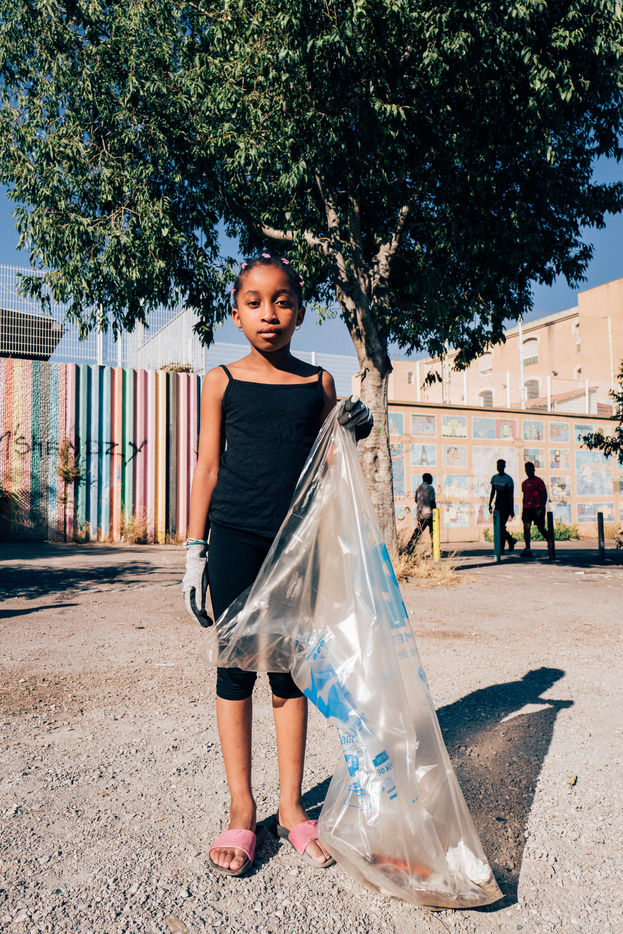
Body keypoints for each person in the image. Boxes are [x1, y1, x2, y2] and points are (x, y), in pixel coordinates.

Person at [181, 255, 373, 878]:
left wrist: (353, 428)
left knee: (290, 673)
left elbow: (329, 459)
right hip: (235, 539)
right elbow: (208, 466)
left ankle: (291, 808)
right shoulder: (220, 381)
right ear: (236, 314)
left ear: (300, 311)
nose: (270, 313)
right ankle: (242, 807)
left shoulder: (319, 383)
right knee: (235, 670)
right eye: (255, 302)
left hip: (298, 547)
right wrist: (194, 550)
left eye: (283, 301)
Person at [521, 461, 551, 557]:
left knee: (541, 528)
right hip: (527, 509)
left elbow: (544, 495)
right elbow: (524, 497)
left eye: (530, 469)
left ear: (534, 470)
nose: (528, 471)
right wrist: (523, 510)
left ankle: (550, 542)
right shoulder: (524, 483)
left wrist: (541, 508)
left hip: (537, 508)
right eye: (526, 469)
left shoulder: (539, 481)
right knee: (526, 527)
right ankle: (528, 548)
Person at [488, 459, 516, 552]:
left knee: (501, 526)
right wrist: (489, 503)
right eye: (498, 465)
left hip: (506, 506)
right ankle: (505, 545)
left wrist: (511, 510)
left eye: (501, 465)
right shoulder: (494, 478)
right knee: (499, 527)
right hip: (498, 505)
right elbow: (493, 492)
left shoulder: (508, 479)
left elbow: (511, 496)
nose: (499, 467)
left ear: (504, 466)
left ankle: (509, 541)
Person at [412, 472, 437, 546]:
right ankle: (434, 549)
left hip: (420, 514)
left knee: (418, 531)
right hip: (429, 514)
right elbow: (432, 501)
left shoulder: (418, 488)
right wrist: (435, 513)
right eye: (431, 478)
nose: (432, 480)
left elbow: (416, 500)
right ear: (428, 479)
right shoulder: (430, 488)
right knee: (433, 532)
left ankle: (410, 547)